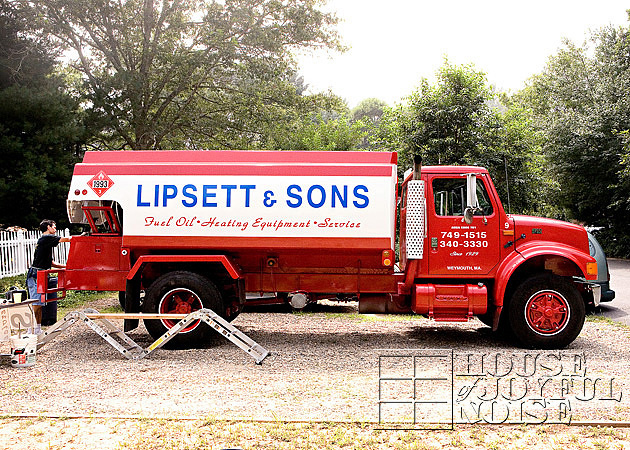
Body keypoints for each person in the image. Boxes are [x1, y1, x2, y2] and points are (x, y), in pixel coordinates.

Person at [26, 220, 72, 333]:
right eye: (54, 226)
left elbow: (52, 263)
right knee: (35, 304)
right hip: (36, 274)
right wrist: (80, 237)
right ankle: (29, 329)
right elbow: (66, 239)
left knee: (40, 304)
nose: (55, 229)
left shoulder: (46, 242)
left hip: (40, 273)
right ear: (48, 227)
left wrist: (67, 267)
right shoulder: (46, 238)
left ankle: (37, 329)